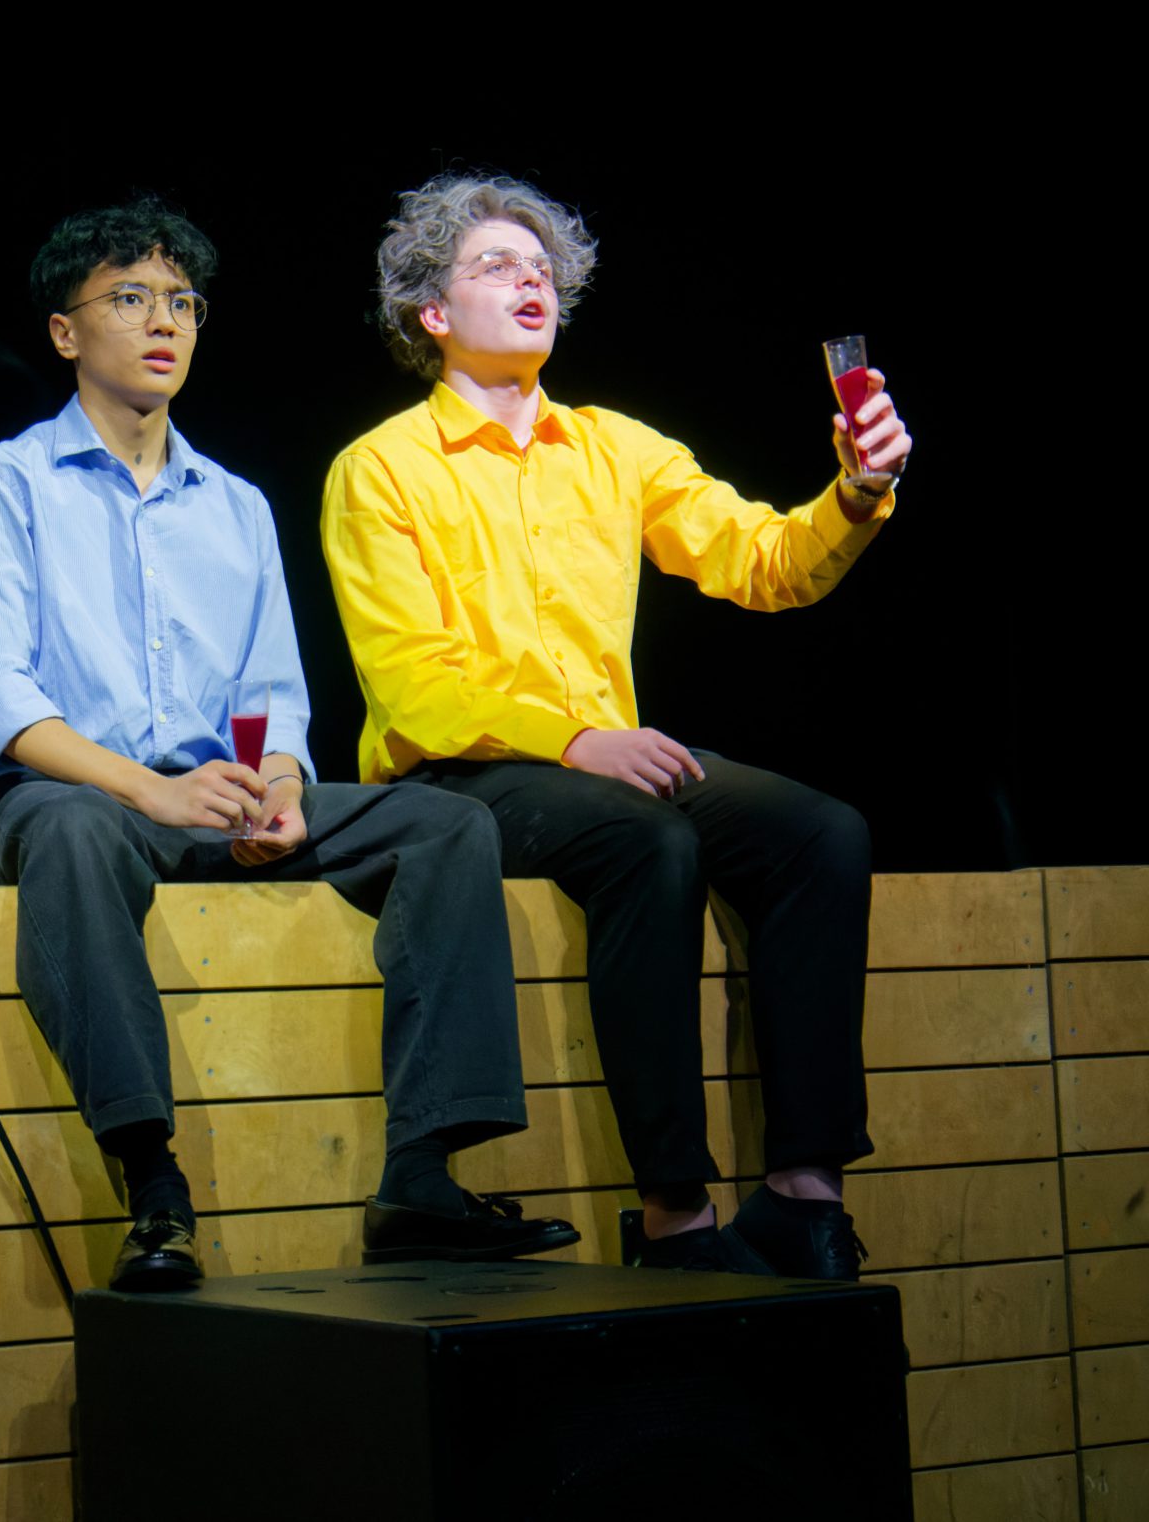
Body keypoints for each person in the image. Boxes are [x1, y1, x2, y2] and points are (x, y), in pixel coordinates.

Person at [0, 200, 576, 1294]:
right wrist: (151, 793)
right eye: (131, 298)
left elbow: (271, 690)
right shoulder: (4, 486)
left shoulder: (234, 504)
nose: (163, 322)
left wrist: (278, 786)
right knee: (74, 832)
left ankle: (421, 1176)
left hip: (217, 796)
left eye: (182, 302)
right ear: (65, 332)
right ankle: (150, 1181)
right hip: (76, 793)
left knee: (447, 824)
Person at [319, 175, 916, 1280]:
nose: (531, 280)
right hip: (460, 777)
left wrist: (857, 490)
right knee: (650, 840)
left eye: (541, 267)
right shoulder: (381, 467)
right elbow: (412, 686)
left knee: (821, 832)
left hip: (600, 766)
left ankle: (804, 1194)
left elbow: (765, 563)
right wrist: (575, 739)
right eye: (497, 265)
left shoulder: (612, 447)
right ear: (433, 312)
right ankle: (675, 1215)